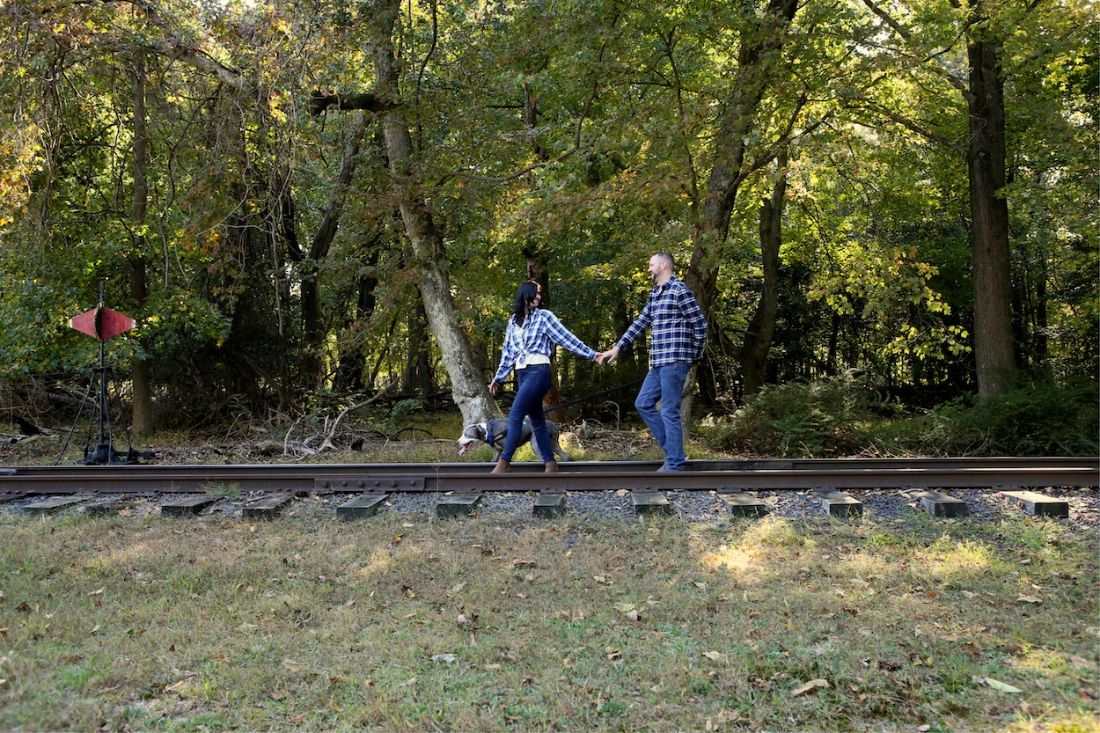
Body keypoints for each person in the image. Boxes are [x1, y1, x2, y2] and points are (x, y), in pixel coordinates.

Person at [597, 253, 707, 471]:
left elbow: (700, 325)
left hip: (675, 360)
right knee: (643, 403)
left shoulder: (680, 291)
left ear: (664, 265)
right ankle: (675, 453)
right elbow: (640, 322)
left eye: (651, 265)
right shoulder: (655, 294)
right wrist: (618, 348)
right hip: (658, 362)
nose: (648, 269)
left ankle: (674, 464)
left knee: (668, 411)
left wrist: (692, 355)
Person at [489, 281, 599, 473]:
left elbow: (566, 338)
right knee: (537, 421)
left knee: (515, 415)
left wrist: (592, 354)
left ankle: (504, 462)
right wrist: (498, 378)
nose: (539, 297)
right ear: (525, 294)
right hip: (522, 373)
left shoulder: (544, 317)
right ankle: (550, 464)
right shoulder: (512, 322)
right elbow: (507, 353)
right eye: (536, 293)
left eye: (540, 294)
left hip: (539, 371)